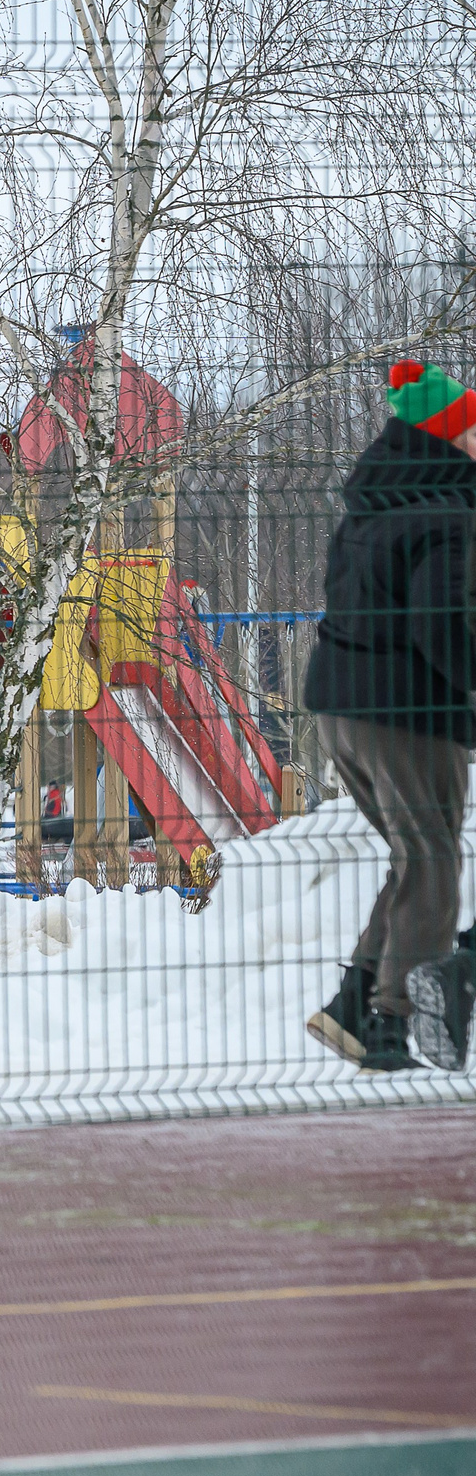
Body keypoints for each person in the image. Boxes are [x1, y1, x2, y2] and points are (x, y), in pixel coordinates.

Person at [303, 360, 476, 1075]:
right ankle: (390, 1022)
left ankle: (349, 1005)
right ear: (449, 436)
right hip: (407, 715)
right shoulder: (448, 509)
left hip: (341, 708)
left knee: (415, 859)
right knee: (434, 862)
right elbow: (441, 625)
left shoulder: (373, 503)